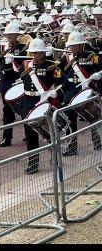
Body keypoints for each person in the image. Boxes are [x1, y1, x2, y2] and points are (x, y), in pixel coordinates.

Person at [19, 38, 61, 174]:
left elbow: (62, 83)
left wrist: (56, 93)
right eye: (33, 52)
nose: (34, 55)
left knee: (49, 132)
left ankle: (55, 157)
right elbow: (19, 78)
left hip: (43, 100)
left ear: (43, 53)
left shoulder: (52, 65)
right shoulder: (26, 64)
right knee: (30, 134)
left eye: (37, 53)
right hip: (28, 100)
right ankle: (33, 163)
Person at [58, 31, 102, 155]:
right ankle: (72, 146)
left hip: (86, 91)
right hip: (70, 92)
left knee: (92, 118)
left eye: (76, 45)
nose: (73, 48)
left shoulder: (92, 56)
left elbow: (100, 69)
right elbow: (60, 74)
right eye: (71, 45)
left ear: (82, 45)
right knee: (70, 121)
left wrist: (98, 75)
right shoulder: (66, 58)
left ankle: (97, 140)